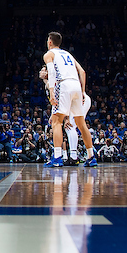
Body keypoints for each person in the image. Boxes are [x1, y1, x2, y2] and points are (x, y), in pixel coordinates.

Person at [41, 31, 87, 167]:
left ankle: (57, 157)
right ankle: (86, 155)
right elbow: (82, 72)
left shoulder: (49, 54)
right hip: (77, 86)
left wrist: (52, 92)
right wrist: (83, 91)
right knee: (77, 123)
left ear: (50, 42)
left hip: (64, 85)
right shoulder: (67, 54)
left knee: (56, 122)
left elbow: (53, 73)